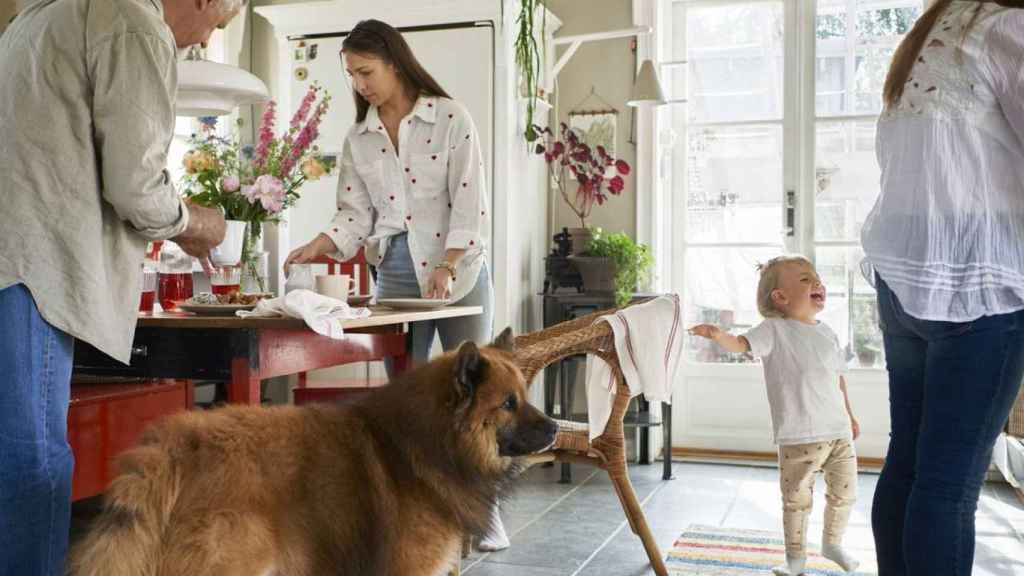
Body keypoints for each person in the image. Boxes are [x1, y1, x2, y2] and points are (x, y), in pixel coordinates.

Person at [0, 0, 240, 572]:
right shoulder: (134, 22)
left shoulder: (38, 16)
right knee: (32, 462)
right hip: (33, 268)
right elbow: (136, 188)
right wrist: (198, 223)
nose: (202, 44)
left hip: (12, 258)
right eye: (217, 26)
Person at [282, 19, 508, 551]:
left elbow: (470, 202)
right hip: (397, 272)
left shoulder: (449, 118)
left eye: (367, 71)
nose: (360, 84)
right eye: (353, 75)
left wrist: (450, 264)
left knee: (481, 397)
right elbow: (354, 216)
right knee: (408, 401)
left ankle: (485, 510)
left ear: (394, 61)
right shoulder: (359, 138)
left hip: (458, 269)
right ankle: (414, 512)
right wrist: (320, 243)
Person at [860, 1, 1024, 574]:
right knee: (948, 485)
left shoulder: (935, 29)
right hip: (976, 287)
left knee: (908, 465)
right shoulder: (1007, 27)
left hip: (906, 282)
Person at [690, 256, 861, 575]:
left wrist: (850, 417)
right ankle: (795, 558)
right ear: (780, 297)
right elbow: (741, 344)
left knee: (846, 492)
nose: (817, 283)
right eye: (805, 280)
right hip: (800, 433)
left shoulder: (828, 333)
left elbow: (838, 379)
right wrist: (716, 335)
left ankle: (832, 542)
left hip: (838, 431)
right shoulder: (774, 330)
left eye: (817, 278)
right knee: (796, 500)